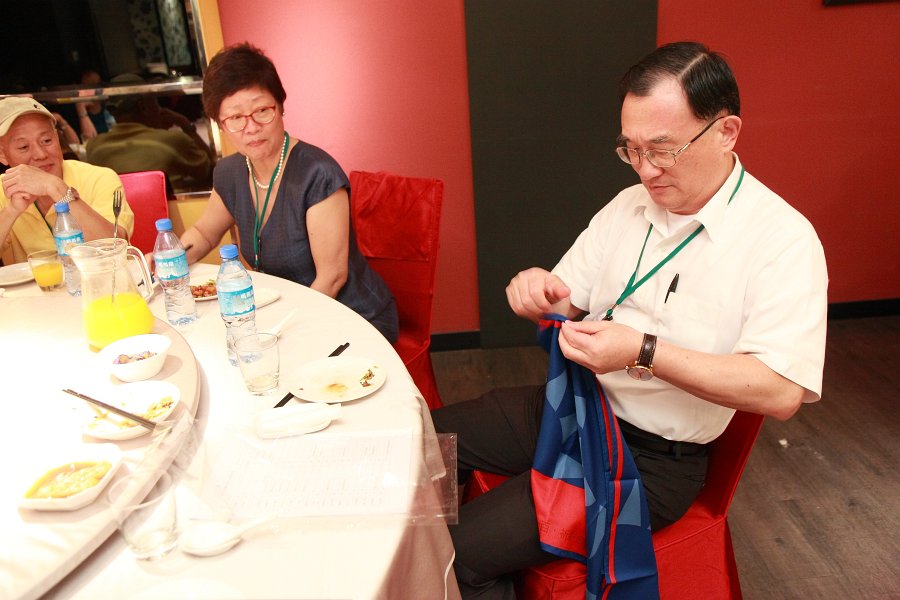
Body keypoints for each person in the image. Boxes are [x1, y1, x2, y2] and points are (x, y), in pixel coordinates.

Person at [431, 41, 828, 598]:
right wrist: (537, 291)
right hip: (573, 408)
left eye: (662, 150)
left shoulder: (781, 240)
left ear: (726, 131)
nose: (645, 170)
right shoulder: (628, 206)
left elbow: (781, 391)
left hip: (650, 460)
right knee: (418, 445)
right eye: (631, 150)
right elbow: (564, 300)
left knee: (455, 556)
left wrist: (644, 351)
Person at [177, 43, 399, 342]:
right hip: (281, 313)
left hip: (349, 315)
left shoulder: (317, 174)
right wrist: (170, 258)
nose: (251, 127)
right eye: (235, 118)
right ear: (221, 125)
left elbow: (332, 278)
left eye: (261, 111)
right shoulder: (229, 172)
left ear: (280, 107)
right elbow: (205, 233)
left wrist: (284, 333)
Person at [0, 97, 134, 265]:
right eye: (23, 147)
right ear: (2, 154)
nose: (40, 154)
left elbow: (114, 249)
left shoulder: (99, 177)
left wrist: (57, 189)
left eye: (47, 141)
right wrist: (12, 210)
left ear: (57, 138)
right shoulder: (3, 190)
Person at [85, 74, 215, 193]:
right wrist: (187, 126)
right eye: (155, 102)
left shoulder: (94, 146)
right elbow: (209, 171)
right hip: (168, 211)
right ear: (143, 106)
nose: (159, 109)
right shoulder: (172, 140)